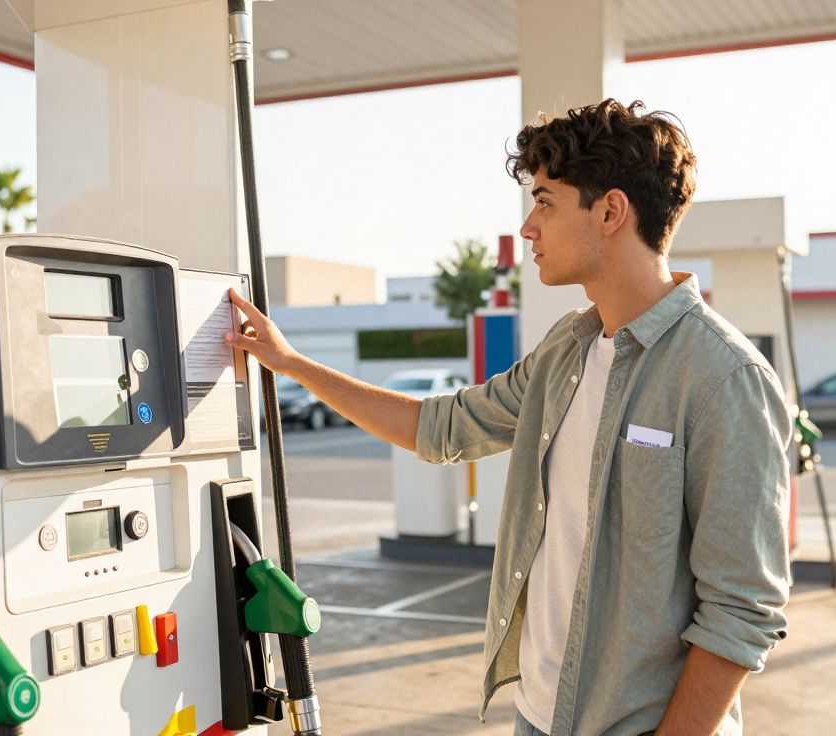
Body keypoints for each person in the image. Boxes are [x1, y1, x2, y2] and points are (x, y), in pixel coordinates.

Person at [224, 98, 790, 735]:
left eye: (545, 201)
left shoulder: (724, 378)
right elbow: (437, 428)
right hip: (538, 715)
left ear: (610, 211)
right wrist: (291, 362)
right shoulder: (566, 350)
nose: (529, 228)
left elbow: (743, 609)